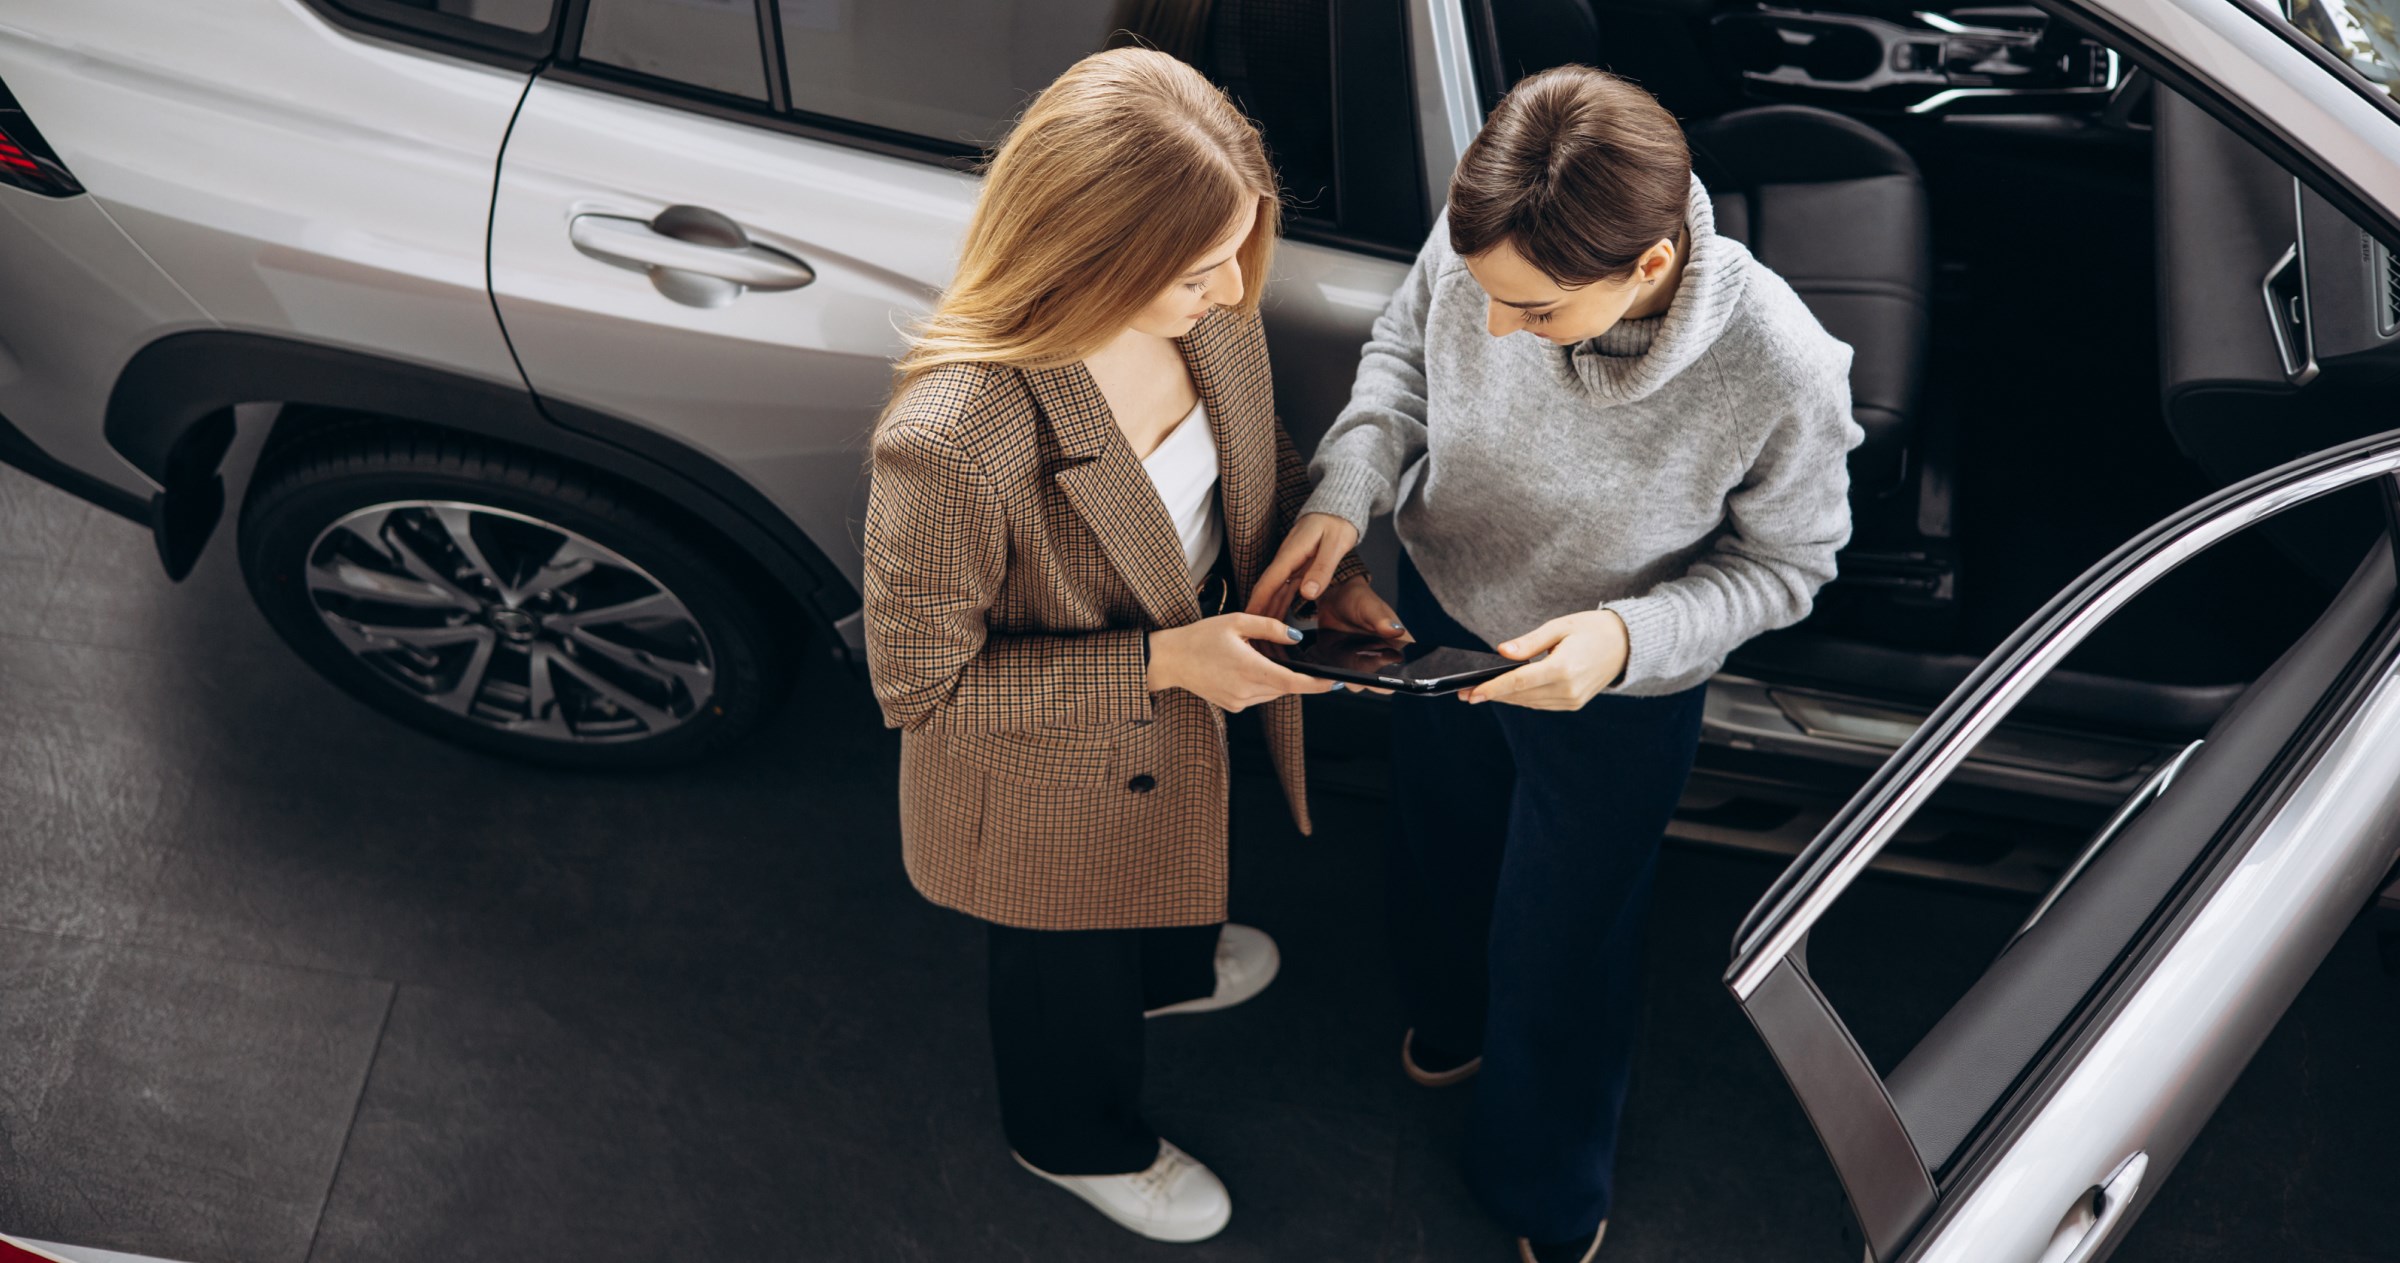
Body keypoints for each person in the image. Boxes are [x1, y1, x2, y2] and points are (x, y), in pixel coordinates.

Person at [1252, 66, 1864, 1263]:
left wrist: (1625, 642)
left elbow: (1790, 568)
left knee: (1566, 938)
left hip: (1617, 686)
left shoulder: (1782, 365)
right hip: (1440, 610)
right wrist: (1347, 487)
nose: (1495, 329)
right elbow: (1405, 356)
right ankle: (1447, 1018)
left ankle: (1543, 1183)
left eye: (1532, 314)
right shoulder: (1495, 235)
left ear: (1646, 268)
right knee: (1437, 843)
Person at [861, 47, 1399, 1245]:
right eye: (1199, 266)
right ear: (1088, 250)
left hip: (1183, 714)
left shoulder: (1210, 317)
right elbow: (920, 688)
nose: (1230, 288)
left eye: (1238, 251)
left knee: (1158, 901)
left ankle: (1171, 974)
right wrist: (1165, 665)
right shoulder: (952, 437)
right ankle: (1072, 1141)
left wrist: (1333, 568)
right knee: (1066, 980)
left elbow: (1262, 464)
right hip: (1043, 778)